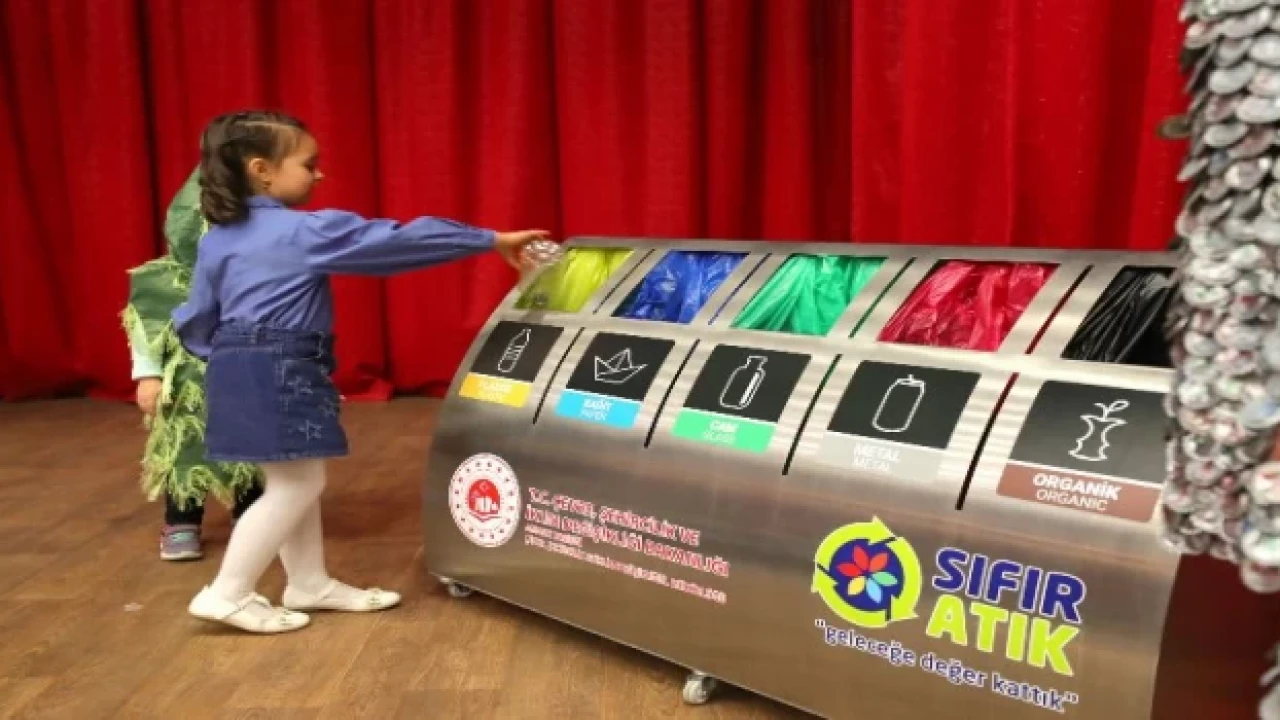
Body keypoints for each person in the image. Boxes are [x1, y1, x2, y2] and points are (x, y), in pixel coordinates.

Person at [175, 109, 548, 633]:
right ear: (262, 170)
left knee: (293, 475)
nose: (319, 173)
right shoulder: (301, 231)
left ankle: (308, 583)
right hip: (278, 364)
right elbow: (397, 241)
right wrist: (487, 240)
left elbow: (197, 317)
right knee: (298, 483)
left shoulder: (218, 237)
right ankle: (227, 593)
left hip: (234, 363)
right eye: (309, 164)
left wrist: (230, 360)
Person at [123, 168, 264, 561]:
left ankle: (254, 515)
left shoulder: (248, 276)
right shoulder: (161, 282)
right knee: (186, 450)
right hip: (185, 391)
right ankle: (182, 519)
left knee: (251, 447)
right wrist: (148, 376)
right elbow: (147, 330)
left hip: (242, 380)